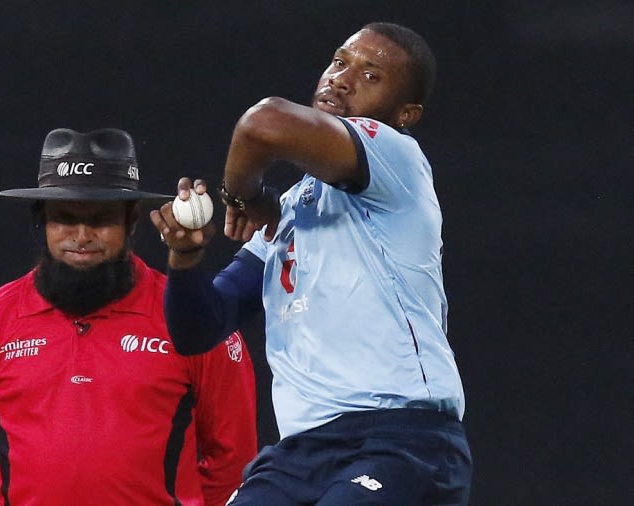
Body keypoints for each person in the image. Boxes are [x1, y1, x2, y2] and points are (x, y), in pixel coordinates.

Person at [150, 22, 472, 505]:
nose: (342, 79)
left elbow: (265, 124)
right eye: (340, 61)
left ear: (406, 113)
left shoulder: (397, 156)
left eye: (371, 76)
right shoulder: (294, 206)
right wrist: (186, 256)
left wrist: (242, 194)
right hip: (301, 450)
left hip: (402, 437)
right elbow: (199, 329)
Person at [0, 127, 257, 506]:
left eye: (101, 219)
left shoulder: (191, 317)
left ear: (131, 220)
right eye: (65, 218)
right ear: (42, 220)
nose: (82, 235)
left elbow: (234, 458)